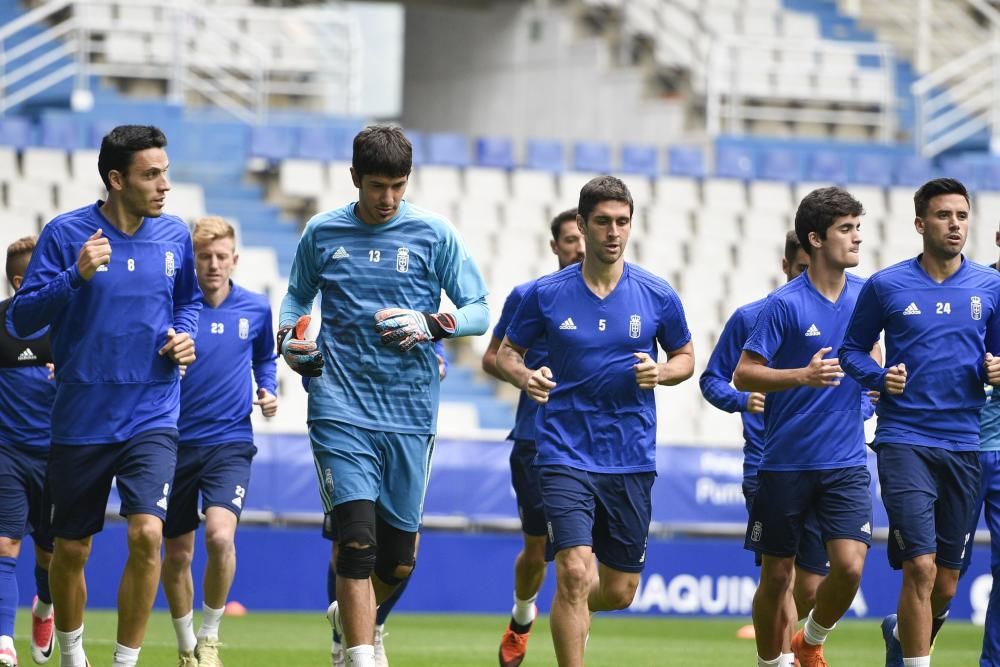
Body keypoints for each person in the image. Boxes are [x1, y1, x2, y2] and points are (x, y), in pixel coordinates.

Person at [278, 125, 489, 667]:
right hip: (339, 407)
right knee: (356, 544)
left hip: (410, 413)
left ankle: (350, 620)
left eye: (398, 186)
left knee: (397, 563)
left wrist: (431, 322)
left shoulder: (433, 234)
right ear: (354, 179)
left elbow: (478, 310)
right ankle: (362, 654)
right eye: (377, 186)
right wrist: (292, 342)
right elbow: (297, 300)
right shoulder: (322, 233)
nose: (388, 198)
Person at [9, 125, 201, 667]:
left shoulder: (175, 236)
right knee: (71, 550)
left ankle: (125, 660)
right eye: (151, 174)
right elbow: (22, 319)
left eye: (165, 172)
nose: (164, 185)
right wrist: (75, 276)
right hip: (80, 420)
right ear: (116, 180)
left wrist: (183, 334)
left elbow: (186, 302)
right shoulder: (67, 235)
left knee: (146, 533)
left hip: (153, 412)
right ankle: (71, 654)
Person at [497, 176, 695, 667]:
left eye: (622, 222)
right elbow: (505, 353)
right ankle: (570, 615)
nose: (613, 232)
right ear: (582, 225)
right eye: (603, 222)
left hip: (630, 455)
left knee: (621, 590)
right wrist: (526, 377)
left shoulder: (656, 294)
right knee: (571, 571)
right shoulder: (545, 293)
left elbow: (687, 356)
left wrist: (663, 371)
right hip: (564, 451)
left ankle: (572, 610)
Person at [840, 178, 1000, 667]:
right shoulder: (887, 285)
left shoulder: (991, 287)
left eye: (962, 216)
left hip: (964, 443)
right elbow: (851, 351)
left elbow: (996, 354)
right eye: (944, 215)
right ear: (919, 223)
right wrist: (880, 376)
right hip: (904, 439)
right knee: (921, 566)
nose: (955, 225)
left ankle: (900, 634)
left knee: (947, 583)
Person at [733, 187, 873, 667]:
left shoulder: (867, 296)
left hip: (847, 461)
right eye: (846, 229)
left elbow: (871, 357)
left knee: (851, 568)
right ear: (815, 239)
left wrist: (881, 383)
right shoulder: (784, 304)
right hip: (785, 462)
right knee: (776, 578)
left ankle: (809, 641)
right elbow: (744, 373)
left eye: (859, 226)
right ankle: (770, 663)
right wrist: (802, 376)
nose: (857, 237)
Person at [160, 217, 277, 667]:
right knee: (177, 554)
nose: (212, 265)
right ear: (193, 258)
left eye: (221, 257)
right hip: (172, 443)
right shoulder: (174, 308)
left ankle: (210, 636)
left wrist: (269, 390)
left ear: (235, 259)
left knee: (219, 535)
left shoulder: (256, 308)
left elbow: (265, 357)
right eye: (204, 256)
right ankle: (186, 642)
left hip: (230, 441)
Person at [700, 231, 824, 654]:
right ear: (786, 265)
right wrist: (740, 399)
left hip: (825, 463)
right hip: (767, 465)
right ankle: (782, 659)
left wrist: (861, 410)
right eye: (804, 268)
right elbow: (711, 378)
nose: (812, 276)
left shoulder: (840, 313)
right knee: (781, 576)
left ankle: (797, 641)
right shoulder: (751, 317)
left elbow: (862, 381)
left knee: (811, 586)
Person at [481, 207, 584, 667]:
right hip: (535, 440)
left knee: (579, 561)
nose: (579, 248)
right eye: (569, 240)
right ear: (555, 246)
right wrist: (526, 378)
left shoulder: (623, 299)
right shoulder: (530, 296)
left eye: (584, 238)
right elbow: (492, 357)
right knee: (538, 549)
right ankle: (522, 617)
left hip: (594, 447)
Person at [325, 340, 447, 667]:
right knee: (351, 545)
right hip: (350, 428)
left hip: (404, 433)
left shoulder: (414, 300)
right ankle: (346, 645)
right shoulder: (345, 297)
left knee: (402, 560)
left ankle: (364, 620)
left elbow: (437, 350)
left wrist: (439, 364)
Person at [0, 237, 56, 667]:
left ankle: (44, 610)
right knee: (5, 544)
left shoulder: (68, 325)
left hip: (60, 457)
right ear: (22, 282)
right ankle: (4, 641)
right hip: (9, 455)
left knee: (53, 557)